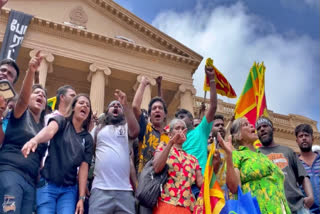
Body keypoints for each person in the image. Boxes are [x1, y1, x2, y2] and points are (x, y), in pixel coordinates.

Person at [21, 94, 94, 214]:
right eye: (81, 103)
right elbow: (49, 131)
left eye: (88, 105)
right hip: (48, 184)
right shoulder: (62, 121)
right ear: (74, 107)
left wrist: (81, 198)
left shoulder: (88, 138)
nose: (85, 106)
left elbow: (84, 168)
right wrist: (35, 140)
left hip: (69, 190)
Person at [0, 52, 47, 214]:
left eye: (44, 95)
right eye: (36, 92)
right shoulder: (20, 112)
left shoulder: (43, 129)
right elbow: (22, 100)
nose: (40, 94)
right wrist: (31, 70)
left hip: (30, 182)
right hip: (11, 173)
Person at [218, 117, 291, 214]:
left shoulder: (263, 156)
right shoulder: (236, 155)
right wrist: (229, 156)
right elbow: (234, 187)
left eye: (250, 123)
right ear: (238, 136)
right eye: (245, 125)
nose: (252, 125)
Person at [89, 90, 139, 214]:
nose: (116, 106)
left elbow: (135, 131)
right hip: (100, 190)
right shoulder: (97, 130)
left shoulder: (126, 128)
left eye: (119, 106)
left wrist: (125, 105)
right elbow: (88, 153)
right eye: (113, 105)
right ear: (107, 112)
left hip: (125, 191)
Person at [175, 65, 217, 197]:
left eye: (182, 117)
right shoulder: (176, 139)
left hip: (201, 185)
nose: (179, 120)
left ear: (191, 120)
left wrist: (211, 80)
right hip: (182, 186)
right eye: (177, 118)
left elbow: (213, 107)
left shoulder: (201, 131)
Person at [256, 116, 314, 214]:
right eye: (258, 128)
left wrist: (310, 196)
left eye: (265, 126)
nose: (262, 129)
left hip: (298, 207)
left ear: (273, 129)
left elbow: (303, 176)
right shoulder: (255, 155)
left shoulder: (288, 151)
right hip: (271, 209)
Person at [132, 76, 169, 213]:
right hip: (147, 186)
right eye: (154, 109)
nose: (157, 110)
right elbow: (135, 107)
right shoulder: (146, 129)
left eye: (160, 108)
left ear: (165, 114)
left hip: (166, 189)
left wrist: (160, 87)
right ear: (149, 114)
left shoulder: (170, 136)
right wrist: (143, 84)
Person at [153, 119, 203, 214]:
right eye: (177, 128)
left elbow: (201, 184)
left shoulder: (193, 159)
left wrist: (214, 166)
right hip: (166, 204)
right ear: (170, 134)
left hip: (187, 208)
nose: (180, 131)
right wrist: (171, 143)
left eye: (183, 128)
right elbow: (157, 168)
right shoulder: (163, 148)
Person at [295, 124, 320, 214]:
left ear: (312, 139)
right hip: (307, 211)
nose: (304, 138)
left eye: (306, 135)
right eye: (301, 136)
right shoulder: (294, 164)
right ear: (297, 141)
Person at [208, 114, 229, 199]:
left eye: (222, 125)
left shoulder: (231, 149)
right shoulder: (207, 149)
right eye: (217, 125)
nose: (221, 127)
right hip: (215, 196)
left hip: (232, 197)